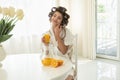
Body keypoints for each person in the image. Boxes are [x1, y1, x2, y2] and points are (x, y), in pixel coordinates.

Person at [41, 6, 76, 80]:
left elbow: (64, 51)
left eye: (59, 18)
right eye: (54, 16)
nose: (55, 19)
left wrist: (57, 36)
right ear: (51, 17)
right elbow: (46, 56)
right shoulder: (46, 34)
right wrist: (45, 45)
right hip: (53, 66)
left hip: (66, 65)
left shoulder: (66, 33)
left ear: (62, 22)